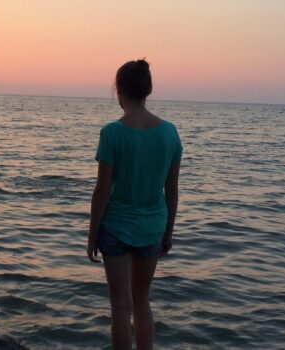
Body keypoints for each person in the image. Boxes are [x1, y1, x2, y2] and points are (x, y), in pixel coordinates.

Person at [87, 59, 182, 350]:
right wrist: (168, 231)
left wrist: (92, 234)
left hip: (115, 226)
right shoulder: (169, 134)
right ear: (147, 90)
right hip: (153, 226)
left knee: (120, 307)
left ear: (119, 91)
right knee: (142, 301)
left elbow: (102, 191)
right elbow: (172, 190)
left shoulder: (112, 133)